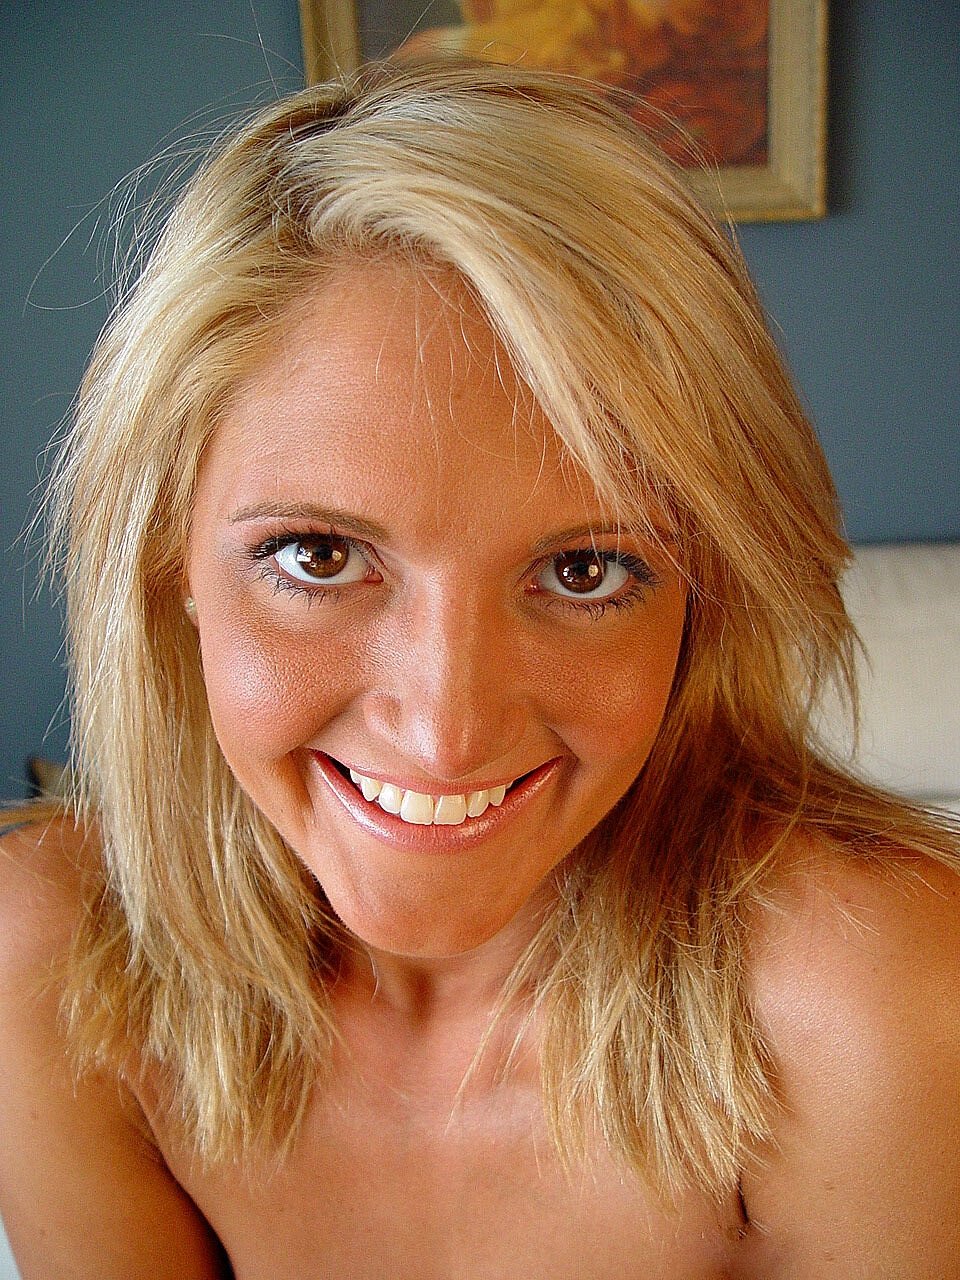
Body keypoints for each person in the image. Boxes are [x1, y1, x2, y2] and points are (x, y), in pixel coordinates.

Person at [1, 59, 958, 1280]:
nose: (446, 731)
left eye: (584, 570)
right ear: (168, 555)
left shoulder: (869, 998)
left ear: (705, 593)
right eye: (318, 554)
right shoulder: (50, 961)